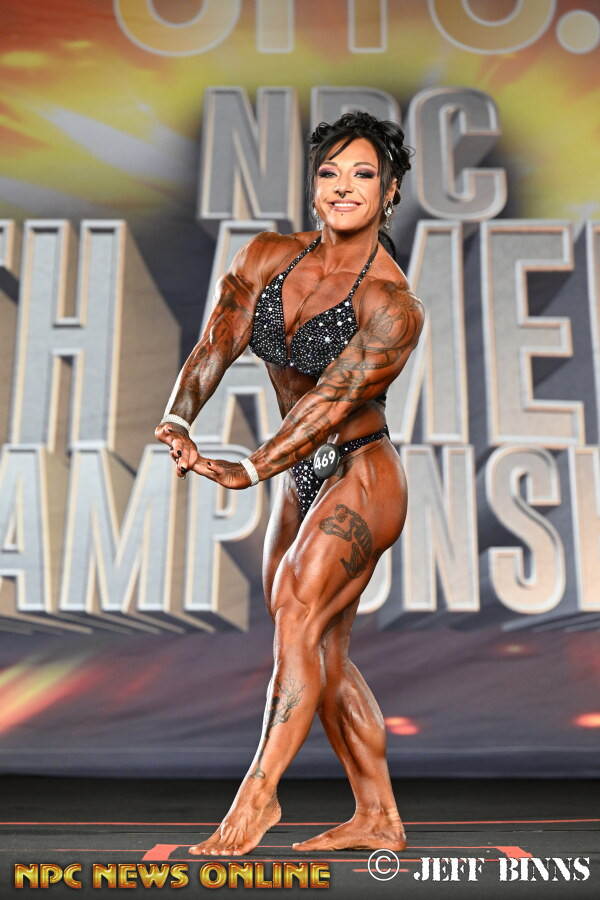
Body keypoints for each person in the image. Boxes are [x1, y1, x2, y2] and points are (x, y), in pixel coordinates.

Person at [155, 112, 424, 856]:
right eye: (330, 173)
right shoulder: (268, 257)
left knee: (298, 618)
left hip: (362, 472)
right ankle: (378, 815)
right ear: (313, 186)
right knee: (320, 647)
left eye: (363, 174)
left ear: (390, 192)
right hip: (299, 475)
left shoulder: (392, 305)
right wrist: (178, 419)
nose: (344, 187)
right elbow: (219, 338)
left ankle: (258, 797)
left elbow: (328, 405)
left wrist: (249, 467)